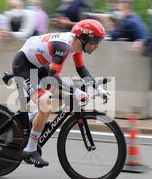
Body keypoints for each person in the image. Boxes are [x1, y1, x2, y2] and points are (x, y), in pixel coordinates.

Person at [11, 19, 110, 167]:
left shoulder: (75, 45)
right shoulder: (63, 47)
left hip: (38, 65)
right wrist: (76, 91)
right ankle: (30, 150)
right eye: (95, 41)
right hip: (24, 66)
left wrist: (99, 89)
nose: (97, 46)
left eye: (99, 41)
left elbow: (82, 70)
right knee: (46, 105)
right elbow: (52, 78)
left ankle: (33, 117)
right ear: (84, 38)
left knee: (62, 97)